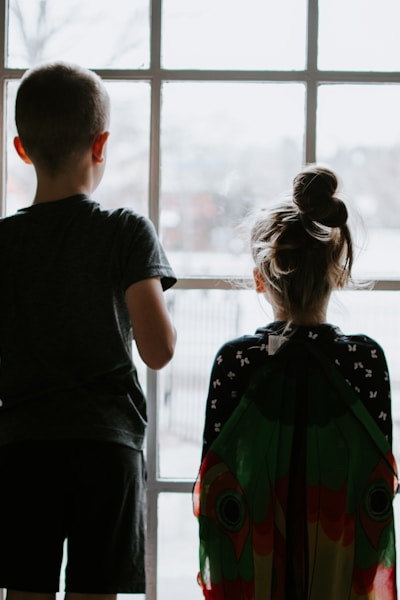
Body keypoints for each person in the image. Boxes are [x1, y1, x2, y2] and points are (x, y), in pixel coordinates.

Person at [0, 62, 177, 600]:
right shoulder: (125, 231)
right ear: (100, 145)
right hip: (106, 447)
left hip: (23, 447)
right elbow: (158, 350)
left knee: (25, 591)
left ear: (22, 149)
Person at [194, 166, 397, 599]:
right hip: (339, 574)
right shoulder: (365, 361)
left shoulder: (237, 361)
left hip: (256, 571)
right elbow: (376, 489)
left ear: (260, 279)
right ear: (338, 274)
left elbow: (215, 484)